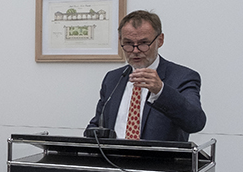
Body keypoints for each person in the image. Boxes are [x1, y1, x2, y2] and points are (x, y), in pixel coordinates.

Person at [86, 10, 205, 142]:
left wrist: (161, 91)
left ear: (160, 40)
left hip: (158, 155)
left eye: (143, 43)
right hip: (114, 155)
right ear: (120, 40)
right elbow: (98, 123)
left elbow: (196, 122)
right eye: (128, 43)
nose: (135, 50)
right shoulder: (113, 78)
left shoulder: (182, 77)